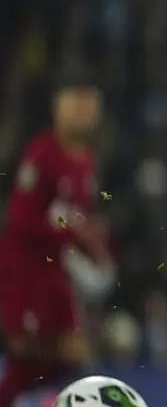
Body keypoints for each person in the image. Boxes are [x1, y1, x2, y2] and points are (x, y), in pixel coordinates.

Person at [0, 73, 112, 407]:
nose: (83, 112)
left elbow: (75, 218)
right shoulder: (42, 154)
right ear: (58, 110)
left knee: (72, 354)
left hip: (55, 272)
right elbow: (20, 220)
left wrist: (91, 238)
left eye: (88, 105)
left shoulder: (86, 162)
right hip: (25, 268)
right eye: (76, 104)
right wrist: (71, 232)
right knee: (32, 352)